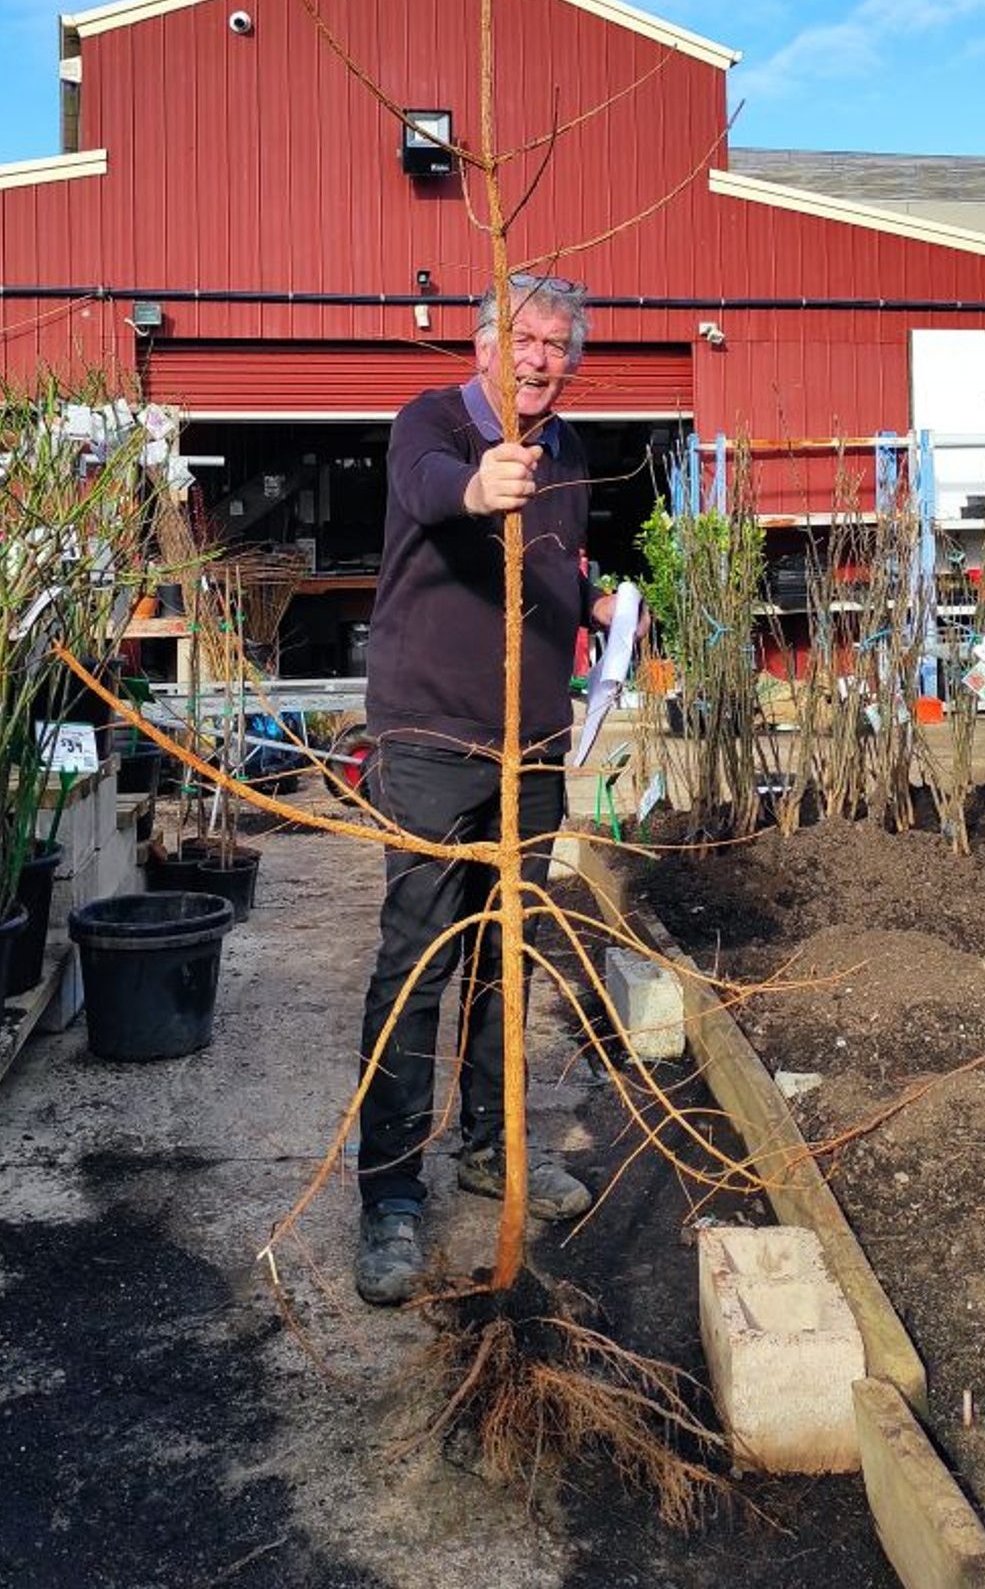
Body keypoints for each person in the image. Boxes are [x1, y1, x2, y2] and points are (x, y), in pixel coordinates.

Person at [353, 273, 638, 1306]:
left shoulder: (567, 450)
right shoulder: (426, 423)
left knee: (503, 954)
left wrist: (595, 594)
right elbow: (439, 491)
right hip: (429, 737)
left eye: (559, 344)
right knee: (415, 959)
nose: (540, 358)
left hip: (531, 744)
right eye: (522, 337)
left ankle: (489, 1145)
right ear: (480, 344)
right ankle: (387, 1193)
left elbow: (551, 552)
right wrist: (483, 485)